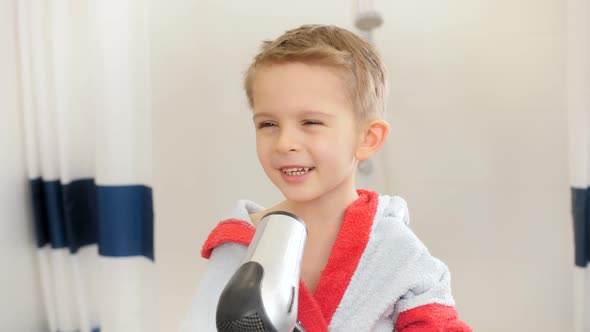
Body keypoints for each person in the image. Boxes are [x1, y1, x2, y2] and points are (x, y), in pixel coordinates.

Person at [181, 24, 471, 332]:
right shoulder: (240, 246)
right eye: (268, 124)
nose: (284, 142)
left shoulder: (396, 251)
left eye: (310, 122)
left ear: (368, 138)